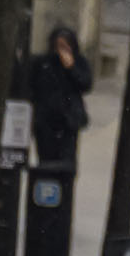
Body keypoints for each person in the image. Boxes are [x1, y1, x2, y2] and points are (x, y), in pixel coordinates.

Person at [25, 27, 93, 167]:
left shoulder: (79, 61)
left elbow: (85, 84)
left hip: (68, 121)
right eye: (58, 46)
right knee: (46, 161)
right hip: (46, 121)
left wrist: (71, 67)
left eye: (65, 45)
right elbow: (31, 87)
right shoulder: (42, 63)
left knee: (66, 163)